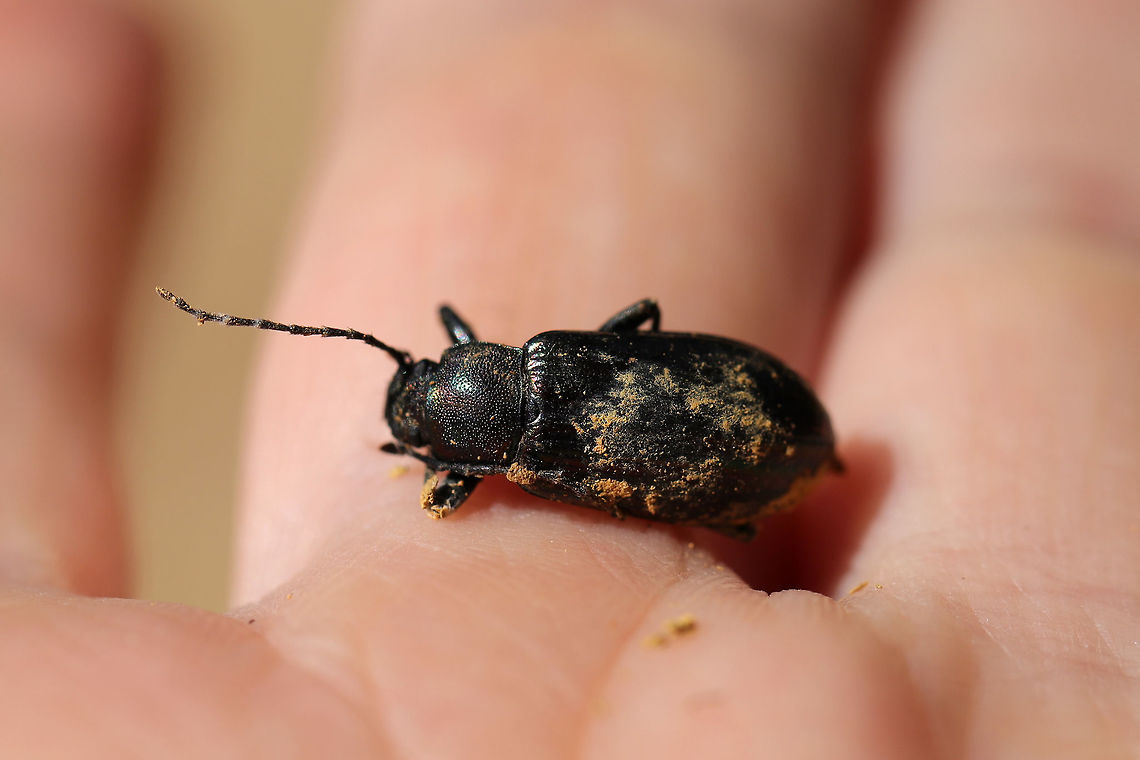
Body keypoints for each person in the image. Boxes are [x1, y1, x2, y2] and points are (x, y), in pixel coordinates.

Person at [2, 1, 1136, 756]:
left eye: (427, 394)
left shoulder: (530, 459)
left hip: (766, 425)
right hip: (768, 407)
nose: (422, 392)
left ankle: (750, 496)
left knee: (685, 464)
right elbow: (641, 340)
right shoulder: (546, 368)